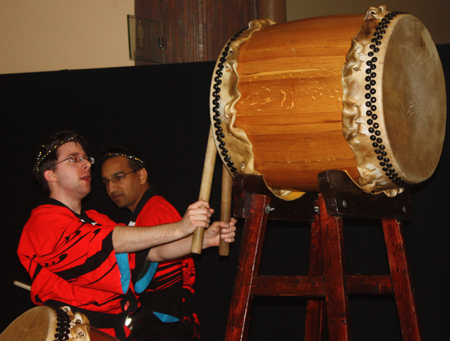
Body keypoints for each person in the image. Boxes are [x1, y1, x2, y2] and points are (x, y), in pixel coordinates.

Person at [17, 131, 236, 340]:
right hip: (77, 333)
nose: (86, 164)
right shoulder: (42, 221)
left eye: (85, 157)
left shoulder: (98, 219)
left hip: (120, 331)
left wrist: (204, 240)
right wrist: (180, 228)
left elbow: (152, 253)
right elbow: (108, 240)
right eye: (73, 159)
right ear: (51, 174)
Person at [100, 146, 200, 340]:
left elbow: (158, 285)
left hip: (164, 325)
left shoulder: (156, 212)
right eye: (106, 182)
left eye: (118, 177)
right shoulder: (145, 213)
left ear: (142, 176)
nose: (111, 188)